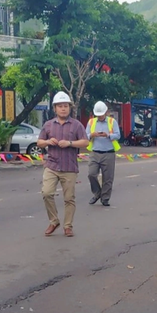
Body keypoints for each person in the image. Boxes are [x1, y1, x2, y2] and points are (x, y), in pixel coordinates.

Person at [37, 92, 88, 237]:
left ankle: (68, 226)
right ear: (55, 108)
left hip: (69, 167)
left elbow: (85, 142)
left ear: (69, 108)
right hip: (52, 165)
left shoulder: (76, 125)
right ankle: (54, 221)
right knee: (46, 193)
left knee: (69, 198)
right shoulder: (48, 125)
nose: (63, 109)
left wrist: (70, 143)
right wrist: (48, 142)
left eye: (65, 106)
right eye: (60, 106)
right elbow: (39, 142)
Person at [86, 101, 121, 207]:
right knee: (91, 174)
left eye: (101, 114)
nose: (100, 116)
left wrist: (108, 135)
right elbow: (85, 135)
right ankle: (97, 193)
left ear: (106, 112)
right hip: (95, 152)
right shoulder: (91, 122)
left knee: (108, 178)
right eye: (98, 115)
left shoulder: (112, 121)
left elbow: (118, 135)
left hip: (108, 152)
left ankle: (105, 198)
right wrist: (91, 135)